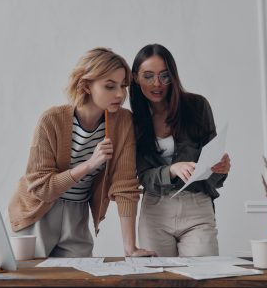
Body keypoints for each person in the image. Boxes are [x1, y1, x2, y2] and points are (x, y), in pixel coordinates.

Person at [8, 47, 156, 258]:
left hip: (77, 215)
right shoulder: (52, 120)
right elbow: (40, 188)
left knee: (80, 277)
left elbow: (125, 186)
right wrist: (89, 164)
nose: (120, 94)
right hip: (36, 214)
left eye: (123, 86)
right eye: (109, 86)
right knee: (30, 280)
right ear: (86, 86)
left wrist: (130, 248)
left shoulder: (123, 122)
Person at [129, 44, 231, 257]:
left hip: (196, 206)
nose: (157, 84)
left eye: (164, 76)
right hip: (155, 211)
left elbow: (210, 164)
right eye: (148, 76)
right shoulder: (133, 121)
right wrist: (172, 169)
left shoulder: (197, 106)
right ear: (136, 78)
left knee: (204, 277)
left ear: (173, 77)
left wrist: (221, 168)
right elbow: (143, 176)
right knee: (158, 279)